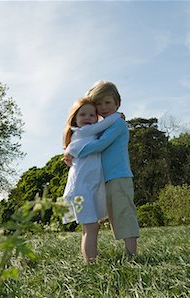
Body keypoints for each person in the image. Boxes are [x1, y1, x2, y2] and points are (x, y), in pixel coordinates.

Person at [64, 81, 140, 261]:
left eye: (108, 103)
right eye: (99, 104)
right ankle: (119, 257)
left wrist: (72, 151)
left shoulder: (118, 124)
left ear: (117, 103)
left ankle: (132, 257)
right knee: (109, 219)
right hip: (104, 179)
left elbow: (99, 146)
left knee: (124, 216)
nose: (103, 108)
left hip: (118, 176)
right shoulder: (98, 128)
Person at [62, 97, 121, 263]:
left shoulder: (89, 135)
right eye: (83, 115)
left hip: (85, 189)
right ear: (75, 119)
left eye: (92, 114)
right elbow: (104, 124)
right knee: (91, 227)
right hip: (80, 190)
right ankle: (91, 264)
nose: (88, 118)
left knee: (89, 227)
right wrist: (117, 115)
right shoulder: (81, 132)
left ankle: (91, 261)